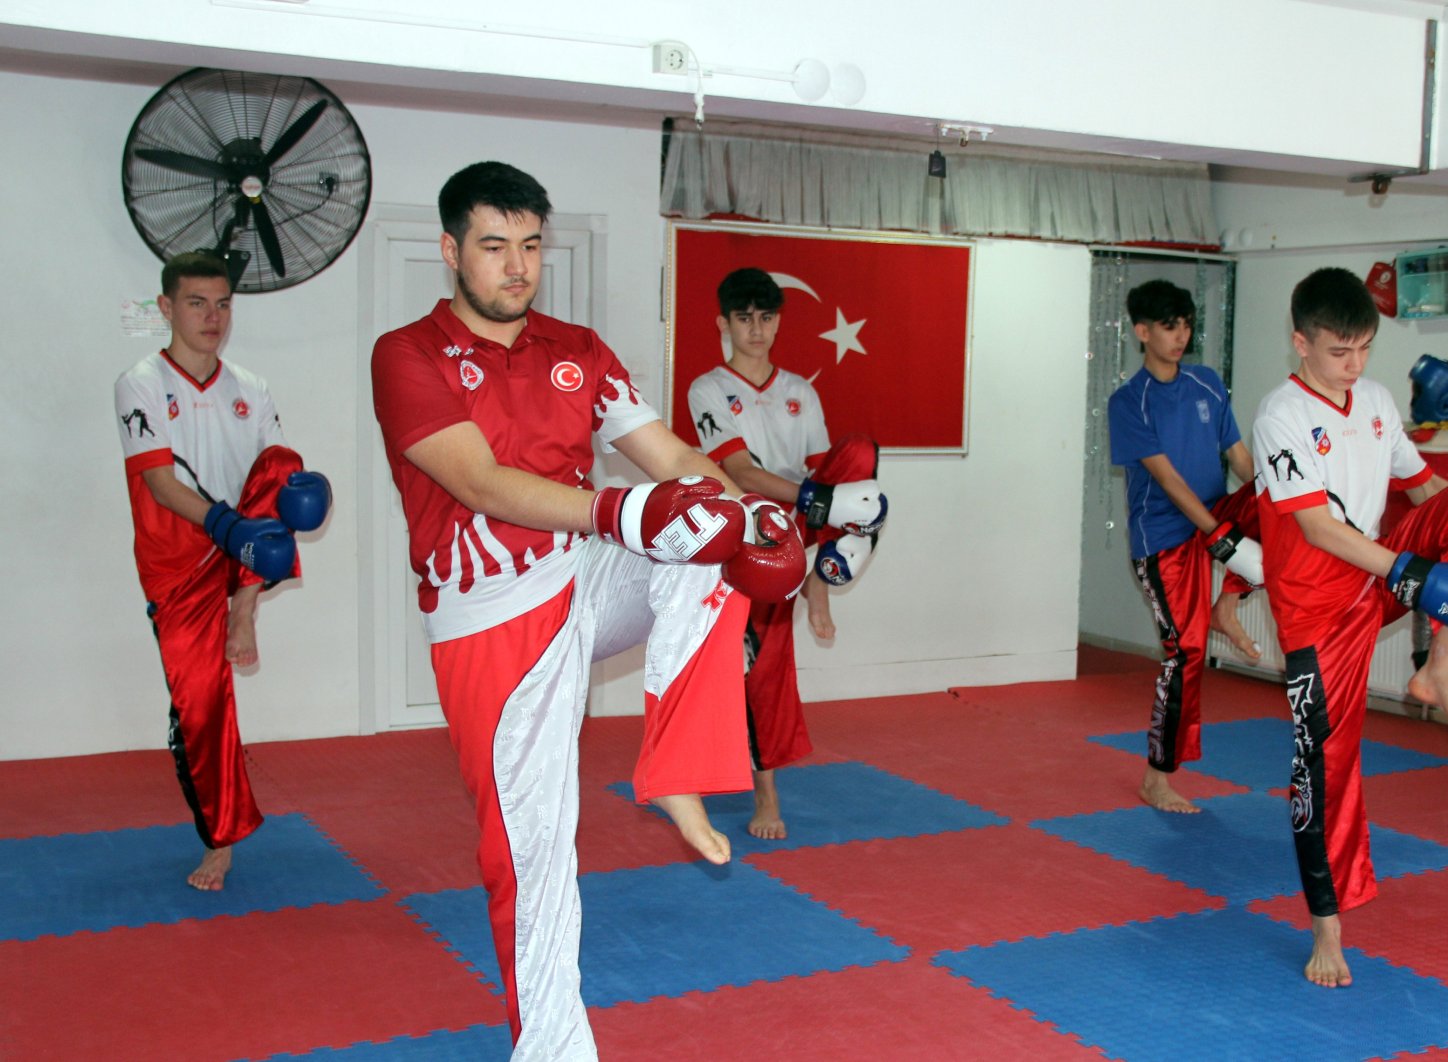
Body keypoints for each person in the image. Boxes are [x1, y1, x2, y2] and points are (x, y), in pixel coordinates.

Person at [369, 162, 803, 1059]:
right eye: (494, 247)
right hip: (488, 615)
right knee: (533, 862)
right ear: (452, 251)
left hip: (582, 580)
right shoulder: (407, 354)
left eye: (530, 246)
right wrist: (617, 510)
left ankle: (676, 768)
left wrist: (758, 518)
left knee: (709, 535)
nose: (516, 267)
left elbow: (669, 452)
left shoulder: (578, 348)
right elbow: (478, 480)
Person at [1251, 267, 1448, 988]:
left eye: (1364, 350)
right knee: (1325, 768)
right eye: (1338, 352)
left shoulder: (1377, 400)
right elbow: (1318, 529)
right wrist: (1414, 578)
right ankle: (1328, 931)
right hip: (1319, 611)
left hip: (1372, 580)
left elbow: (1425, 491)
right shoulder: (1279, 416)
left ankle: (1441, 666)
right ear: (1301, 343)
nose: (1354, 366)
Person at [113, 252, 331, 892]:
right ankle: (220, 836)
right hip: (177, 560)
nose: (213, 317)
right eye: (196, 303)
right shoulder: (141, 382)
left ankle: (243, 611)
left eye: (223, 303)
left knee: (287, 465)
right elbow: (158, 482)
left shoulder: (250, 386)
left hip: (240, 553)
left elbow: (275, 481)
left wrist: (297, 494)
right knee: (200, 709)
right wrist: (226, 528)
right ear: (166, 308)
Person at [686, 268, 888, 839]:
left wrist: (819, 594)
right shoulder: (707, 389)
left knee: (860, 453)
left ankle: (838, 559)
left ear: (778, 321)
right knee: (758, 671)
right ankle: (764, 795)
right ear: (724, 323)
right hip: (745, 536)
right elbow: (741, 471)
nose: (757, 329)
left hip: (800, 528)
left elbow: (824, 488)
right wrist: (815, 496)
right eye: (745, 318)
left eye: (767, 317)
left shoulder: (800, 390)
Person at [1107, 279, 1264, 815]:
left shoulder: (1207, 384)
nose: (1180, 336)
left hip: (1213, 522)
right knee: (1185, 653)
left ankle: (1226, 605)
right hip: (1166, 539)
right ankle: (1157, 777)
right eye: (1169, 327)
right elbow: (1170, 482)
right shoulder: (1129, 402)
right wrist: (1219, 539)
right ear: (1142, 332)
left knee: (1277, 505)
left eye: (1186, 325)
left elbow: (1240, 459)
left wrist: (1278, 502)